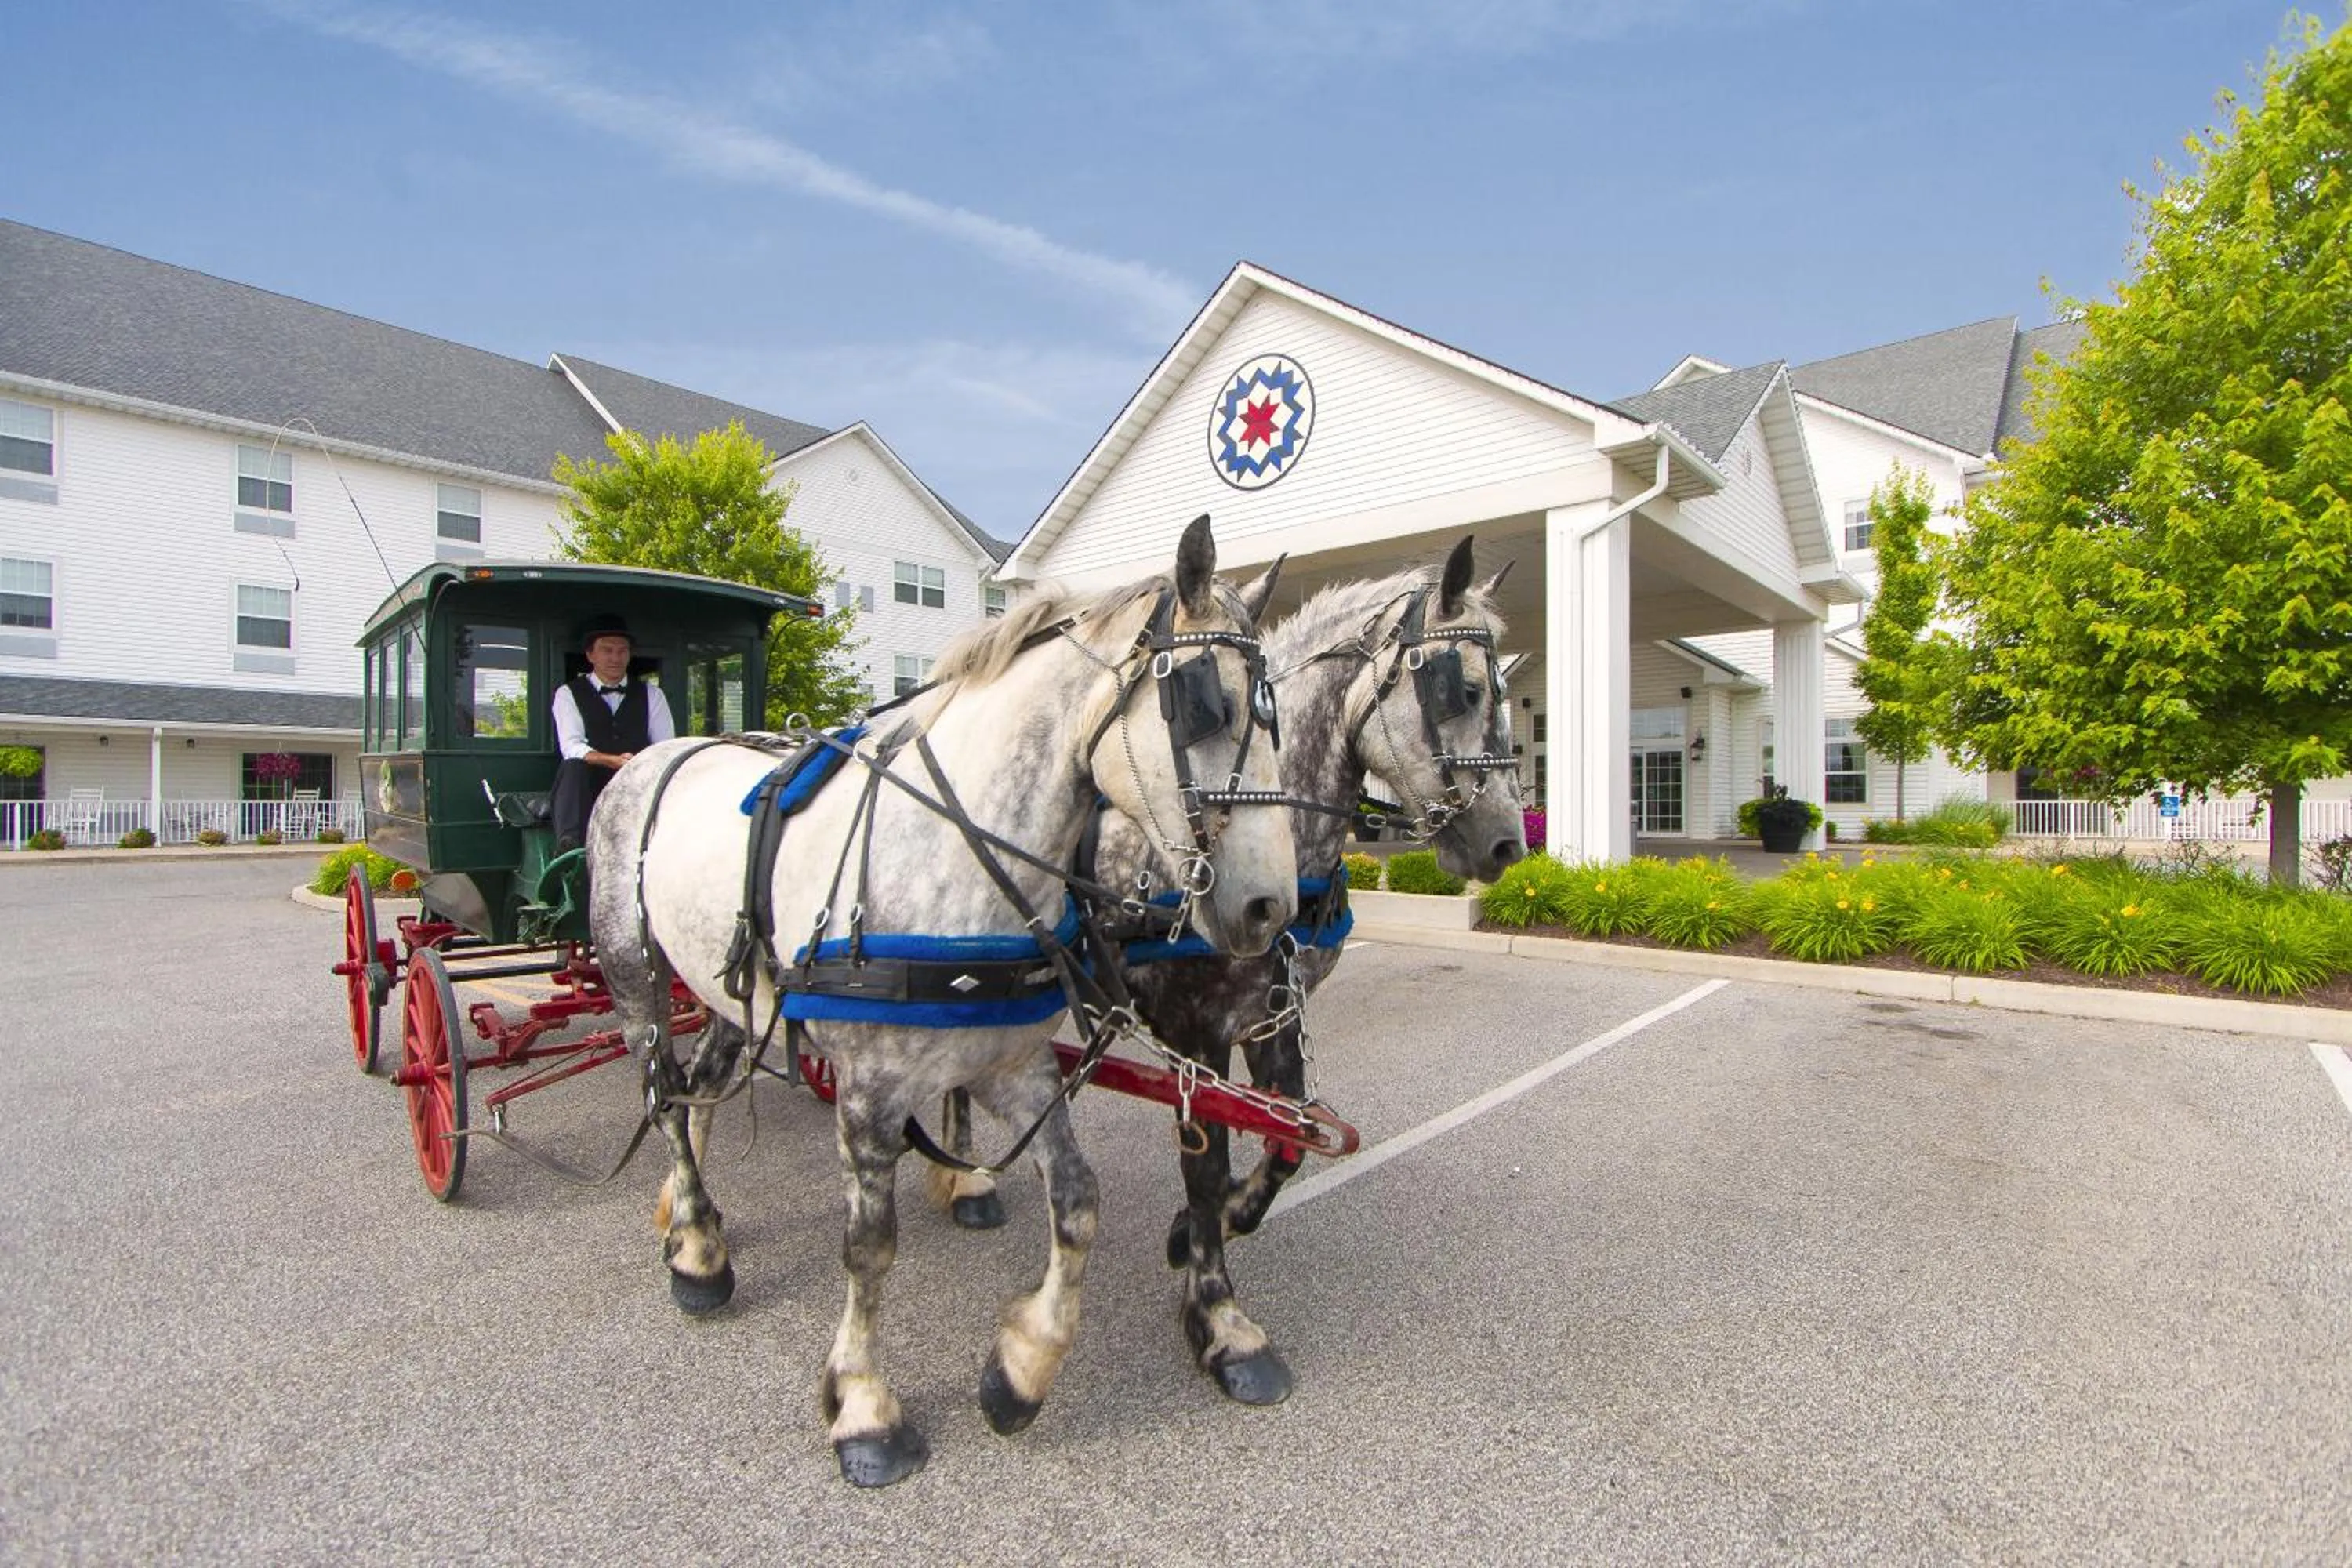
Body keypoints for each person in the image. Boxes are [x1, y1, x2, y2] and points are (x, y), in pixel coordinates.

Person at [549, 614, 673, 851]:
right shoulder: (568, 694)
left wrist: (637, 764)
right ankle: (571, 848)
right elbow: (572, 746)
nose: (616, 658)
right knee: (573, 764)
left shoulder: (653, 695)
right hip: (589, 785)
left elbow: (664, 747)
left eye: (622, 651)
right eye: (607, 651)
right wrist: (612, 761)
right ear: (590, 655)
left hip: (637, 781)